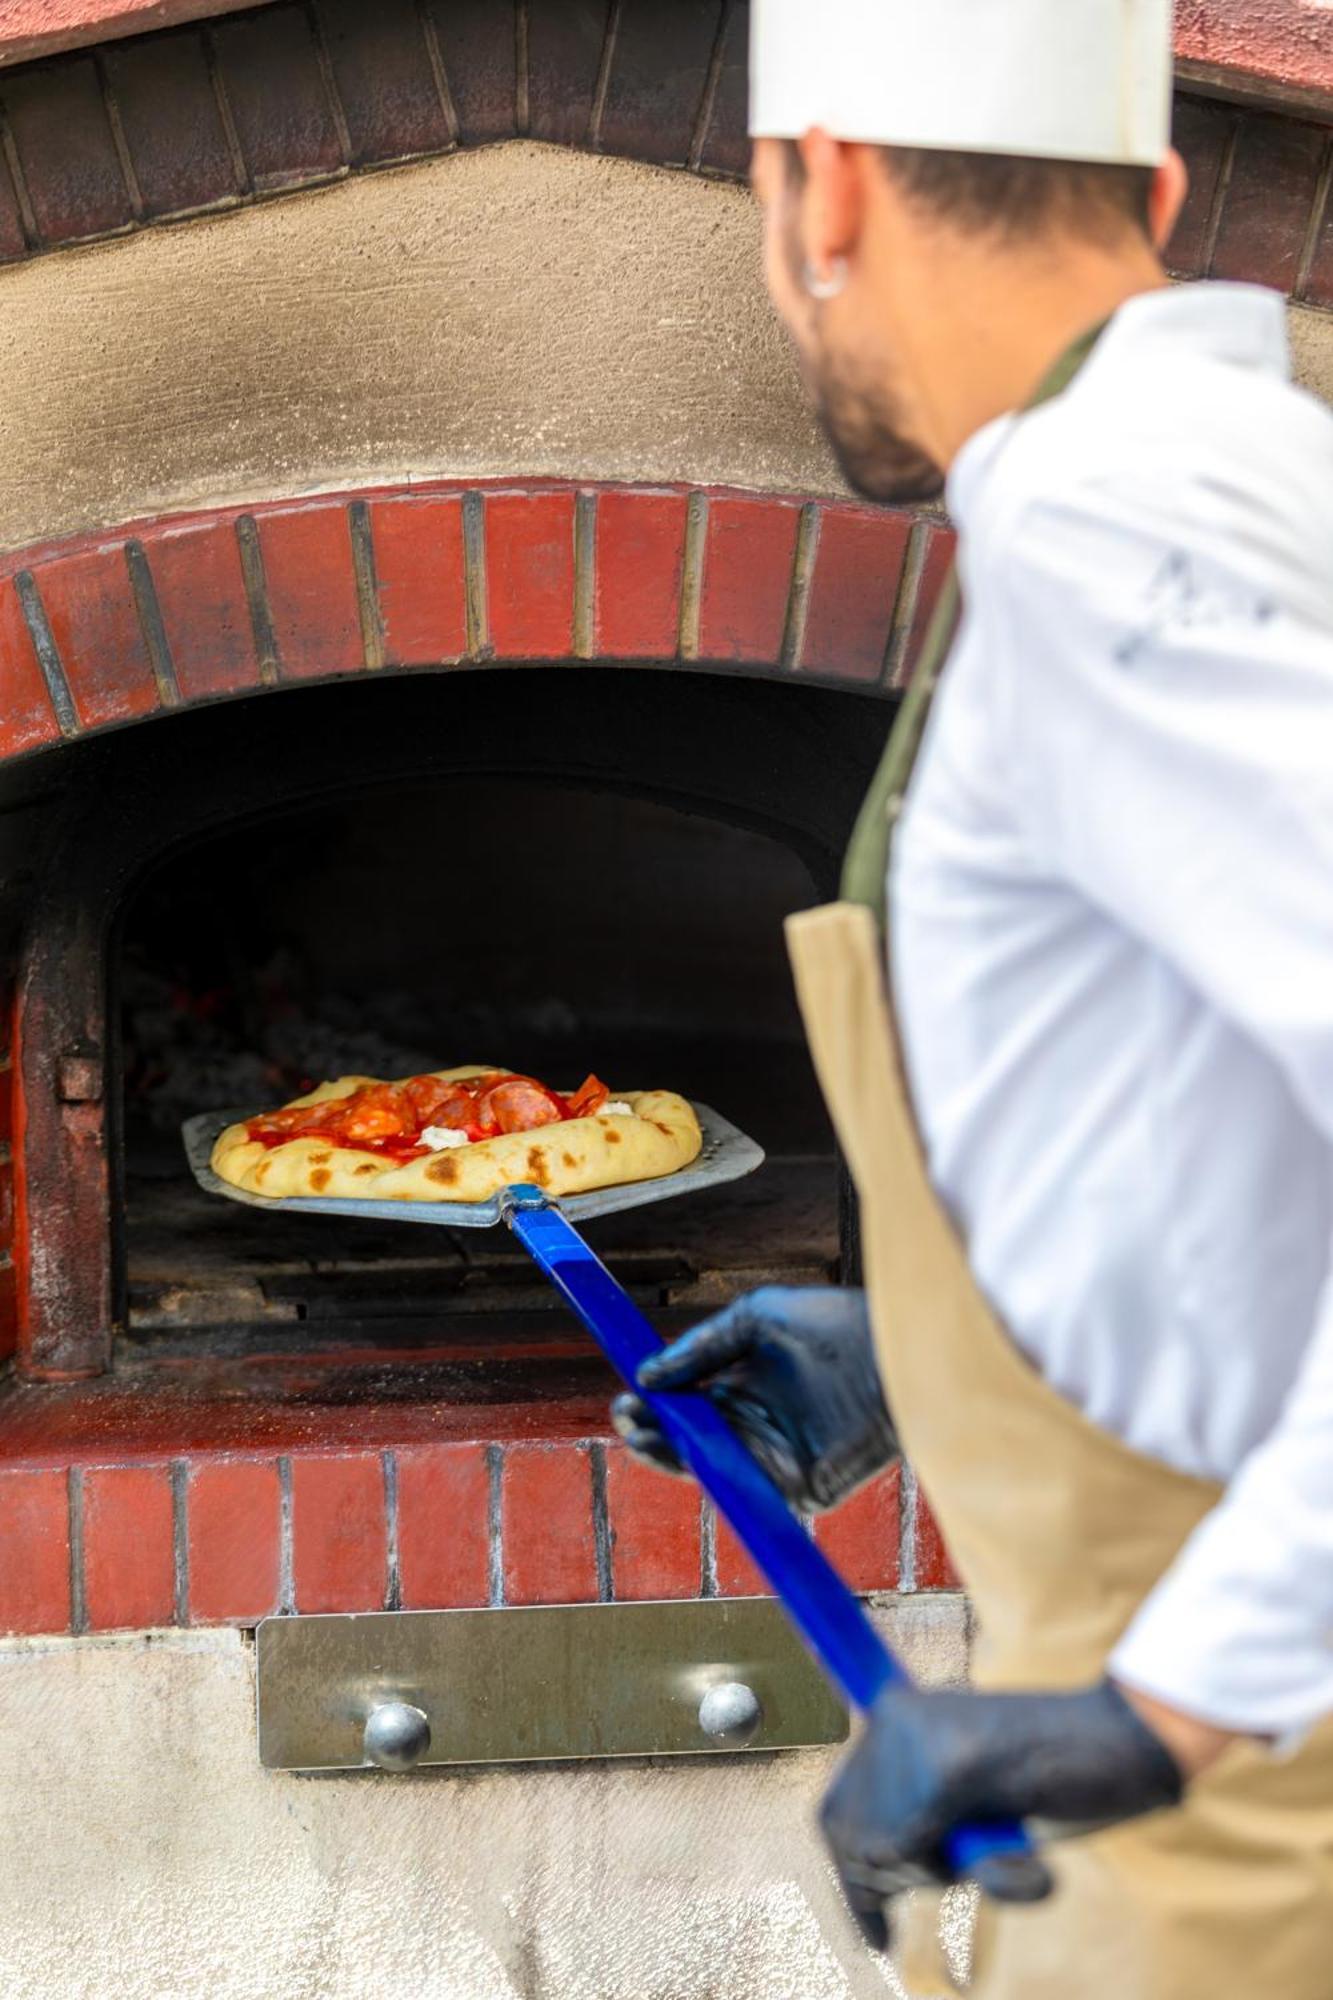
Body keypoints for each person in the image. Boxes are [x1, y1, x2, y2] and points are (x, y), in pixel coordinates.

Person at [611, 1, 1333, 1992]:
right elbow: (1228, 1133)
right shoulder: (1249, 470)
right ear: (1157, 196)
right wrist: (936, 1348)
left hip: (1236, 1833)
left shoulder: (1114, 523)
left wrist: (1151, 1707)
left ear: (819, 187)